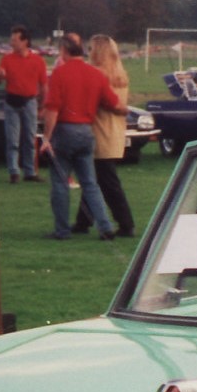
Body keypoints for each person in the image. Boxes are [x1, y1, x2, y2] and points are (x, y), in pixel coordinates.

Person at [38, 30, 122, 241]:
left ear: (64, 51)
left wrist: (46, 138)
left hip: (65, 130)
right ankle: (105, 226)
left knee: (59, 182)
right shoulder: (96, 74)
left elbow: (52, 109)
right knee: (90, 183)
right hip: (86, 131)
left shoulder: (60, 73)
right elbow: (113, 103)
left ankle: (62, 229)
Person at [74, 34, 136, 239]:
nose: (88, 53)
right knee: (95, 179)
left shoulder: (97, 75)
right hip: (114, 132)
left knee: (106, 182)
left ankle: (126, 223)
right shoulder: (119, 75)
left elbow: (102, 103)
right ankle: (83, 220)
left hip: (100, 132)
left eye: (91, 49)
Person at [0, 25, 48, 183]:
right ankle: (14, 171)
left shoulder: (38, 61)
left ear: (25, 41)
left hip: (29, 102)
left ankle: (30, 172)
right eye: (11, 39)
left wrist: (42, 105)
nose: (12, 43)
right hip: (12, 102)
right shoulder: (7, 59)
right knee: (12, 139)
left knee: (30, 137)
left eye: (15, 40)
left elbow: (44, 85)